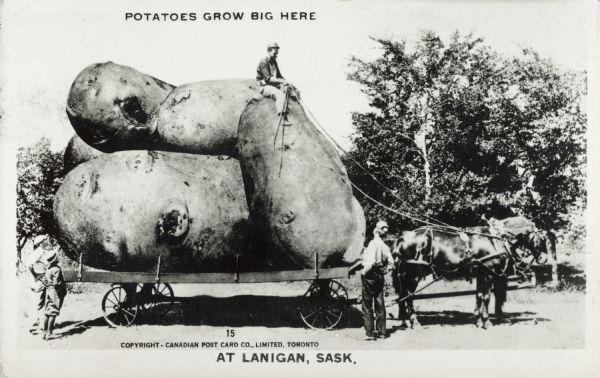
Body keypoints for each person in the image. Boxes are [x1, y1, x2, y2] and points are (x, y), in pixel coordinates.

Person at [360, 220, 394, 340]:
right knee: (380, 303)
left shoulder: (373, 244)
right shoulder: (385, 246)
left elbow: (370, 262)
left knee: (367, 303)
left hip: (369, 275)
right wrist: (384, 271)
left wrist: (363, 272)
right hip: (379, 275)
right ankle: (382, 333)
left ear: (376, 231)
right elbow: (391, 263)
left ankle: (370, 333)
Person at [256, 42, 296, 126]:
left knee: (288, 90)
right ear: (269, 51)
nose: (276, 55)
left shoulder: (274, 62)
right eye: (275, 53)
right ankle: (282, 119)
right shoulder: (264, 61)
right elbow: (268, 79)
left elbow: (279, 76)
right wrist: (282, 81)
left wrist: (287, 82)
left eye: (277, 53)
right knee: (280, 94)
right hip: (265, 86)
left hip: (273, 85)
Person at [42, 249, 67, 340]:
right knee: (53, 312)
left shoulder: (48, 269)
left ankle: (44, 333)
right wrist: (62, 286)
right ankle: (50, 333)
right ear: (55, 259)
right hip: (55, 293)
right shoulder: (57, 269)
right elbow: (57, 283)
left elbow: (45, 280)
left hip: (49, 291)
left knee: (47, 312)